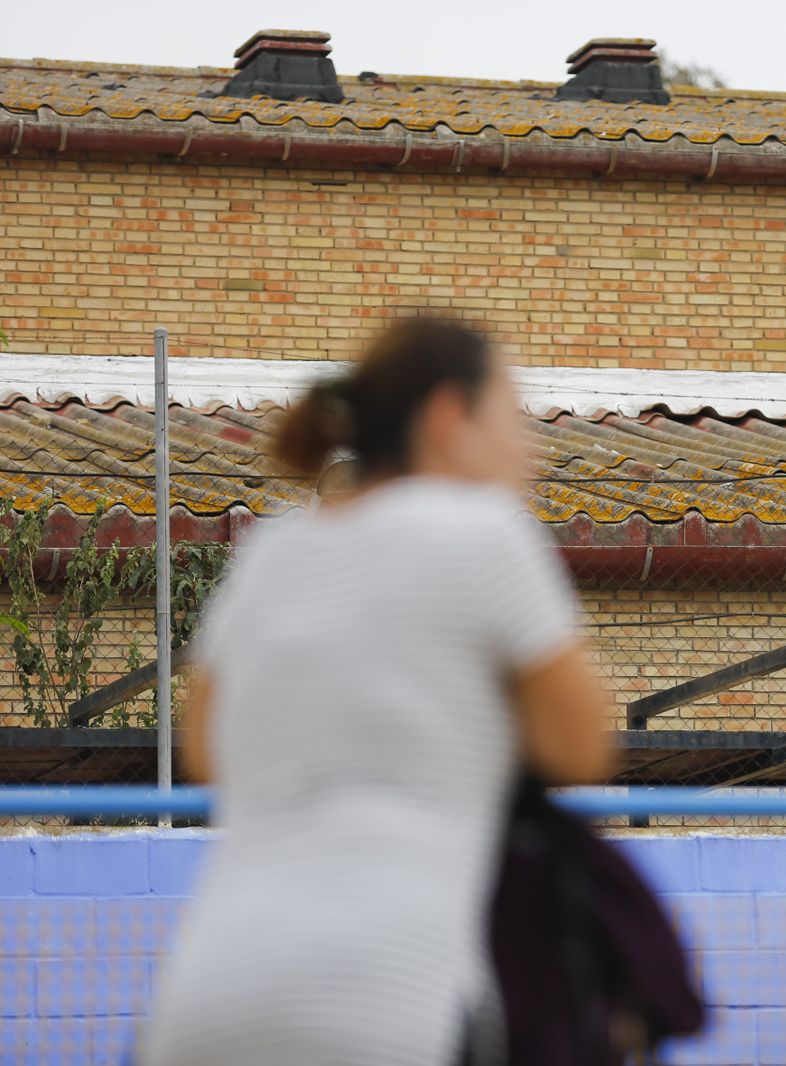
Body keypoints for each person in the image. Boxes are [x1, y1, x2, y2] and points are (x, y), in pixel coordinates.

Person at [141, 317, 613, 1066]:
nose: (532, 448)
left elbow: (207, 750)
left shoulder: (275, 550)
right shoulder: (487, 532)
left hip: (206, 998)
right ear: (448, 419)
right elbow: (582, 747)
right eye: (510, 417)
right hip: (388, 1004)